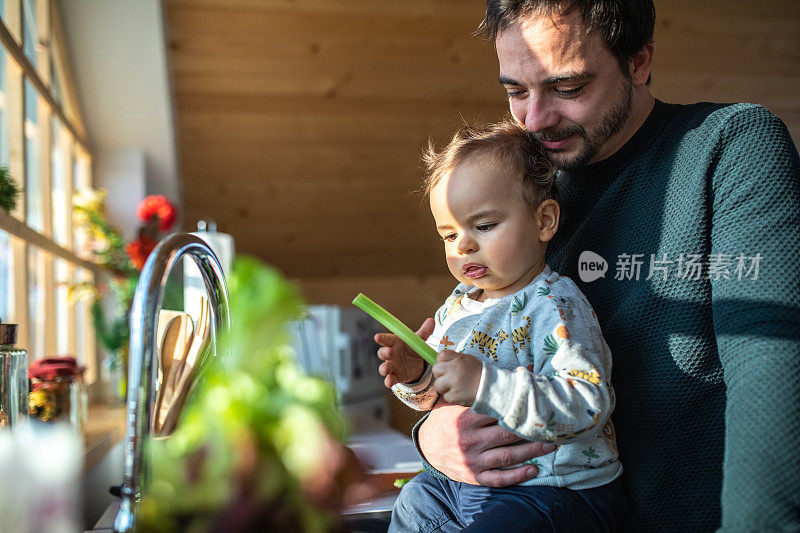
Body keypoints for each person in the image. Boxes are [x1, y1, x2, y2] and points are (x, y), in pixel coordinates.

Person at [410, 1, 800, 531]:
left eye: (567, 88)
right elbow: (492, 349)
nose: (534, 120)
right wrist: (433, 432)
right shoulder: (523, 186)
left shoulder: (731, 148)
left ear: (639, 63)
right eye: (515, 91)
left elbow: (773, 370)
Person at [376, 120, 627, 531]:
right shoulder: (457, 308)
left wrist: (483, 384)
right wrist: (418, 376)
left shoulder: (555, 305)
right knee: (414, 500)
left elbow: (586, 404)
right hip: (468, 484)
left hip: (556, 490)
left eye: (484, 226)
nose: (463, 245)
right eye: (448, 233)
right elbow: (436, 399)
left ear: (545, 221)